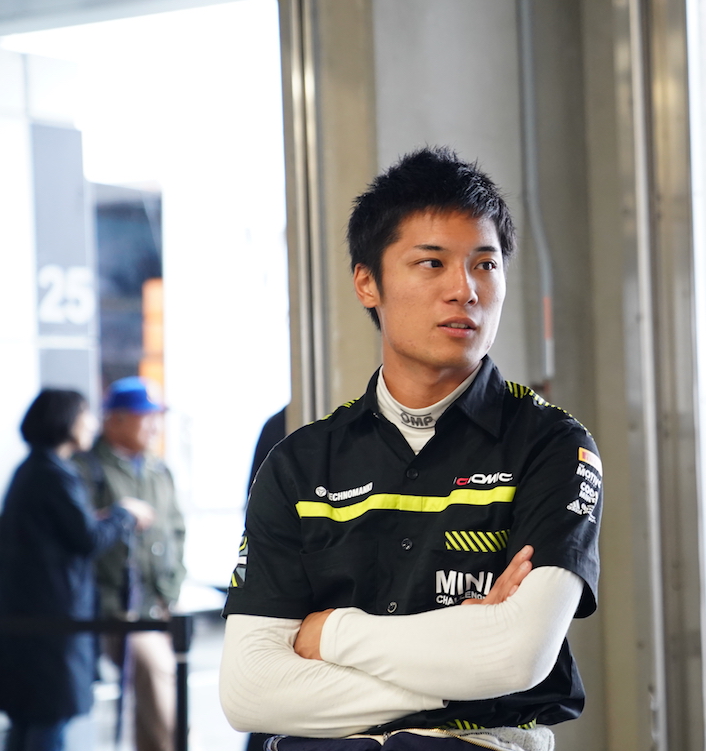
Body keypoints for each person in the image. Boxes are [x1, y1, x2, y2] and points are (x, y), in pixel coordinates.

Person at [219, 147, 602, 751]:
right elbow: (249, 692)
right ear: (367, 283)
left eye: (485, 264)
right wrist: (466, 660)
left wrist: (333, 635)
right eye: (432, 263)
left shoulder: (552, 446)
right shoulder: (300, 464)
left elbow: (518, 656)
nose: (464, 290)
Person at [0, 389, 153, 751]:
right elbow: (87, 539)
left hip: (33, 619)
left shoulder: (33, 470)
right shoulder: (54, 474)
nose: (92, 423)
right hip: (53, 623)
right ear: (66, 420)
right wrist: (124, 514)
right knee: (49, 722)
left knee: (30, 721)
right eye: (86, 415)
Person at [77, 377, 186, 751]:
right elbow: (81, 537)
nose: (155, 426)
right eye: (146, 417)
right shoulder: (87, 468)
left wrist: (171, 589)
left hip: (160, 603)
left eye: (158, 417)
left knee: (153, 703)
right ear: (116, 420)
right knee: (159, 683)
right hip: (115, 607)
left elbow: (176, 531)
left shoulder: (158, 469)